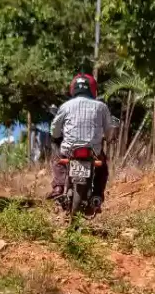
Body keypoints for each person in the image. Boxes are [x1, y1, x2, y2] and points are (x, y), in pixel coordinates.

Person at [48, 73, 117, 202]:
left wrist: (56, 136)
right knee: (102, 168)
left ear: (73, 88)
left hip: (69, 150)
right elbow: (109, 130)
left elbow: (55, 129)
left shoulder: (65, 106)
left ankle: (59, 187)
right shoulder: (101, 107)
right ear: (93, 89)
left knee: (57, 159)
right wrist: (108, 138)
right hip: (93, 151)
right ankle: (97, 195)